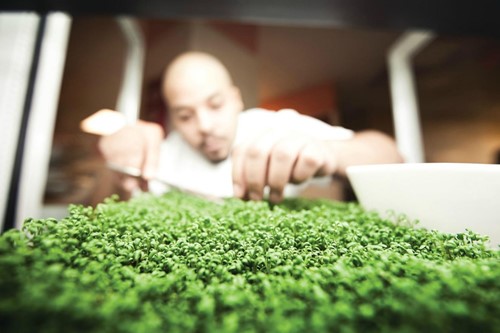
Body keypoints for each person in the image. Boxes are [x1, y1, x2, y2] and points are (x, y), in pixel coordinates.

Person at [98, 51, 403, 203]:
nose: (204, 126)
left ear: (235, 100)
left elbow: (393, 157)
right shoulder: (160, 157)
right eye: (185, 115)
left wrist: (332, 153)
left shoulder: (276, 125)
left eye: (215, 105)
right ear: (173, 119)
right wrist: (111, 172)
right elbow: (99, 210)